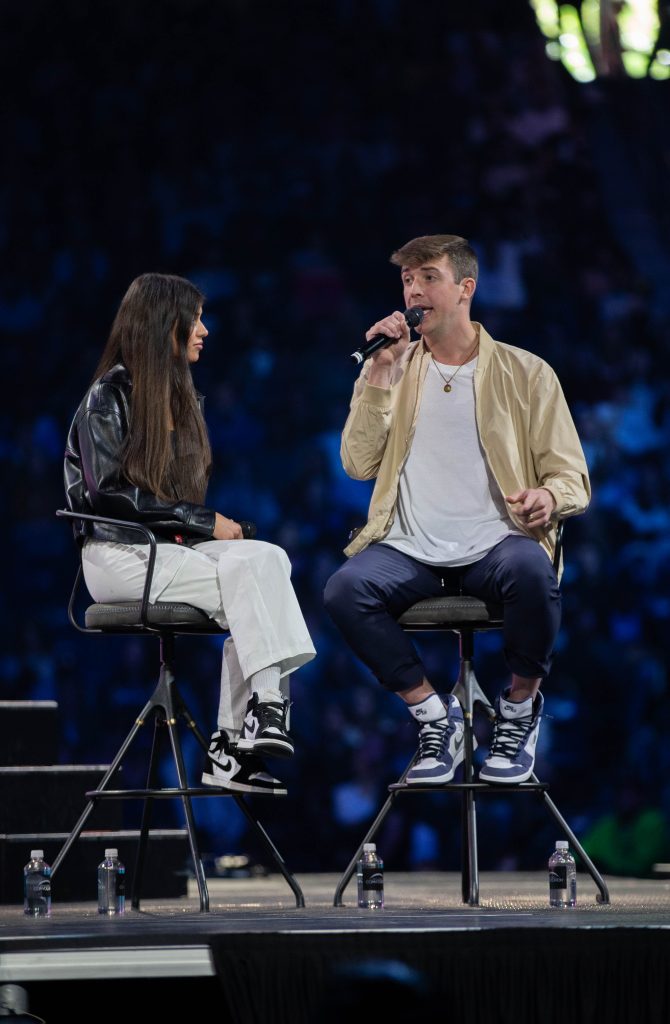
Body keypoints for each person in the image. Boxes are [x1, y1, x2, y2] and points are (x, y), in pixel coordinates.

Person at [324, 234, 590, 785]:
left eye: (428, 278)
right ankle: (432, 715)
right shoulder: (388, 369)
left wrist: (549, 497)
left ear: (465, 288)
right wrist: (378, 378)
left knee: (532, 571)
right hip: (411, 549)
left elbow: (571, 477)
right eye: (406, 280)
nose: (413, 291)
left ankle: (519, 710)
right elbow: (355, 463)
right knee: (344, 590)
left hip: (496, 544)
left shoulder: (527, 373)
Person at [64, 272, 316, 795]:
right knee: (254, 586)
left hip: (168, 552)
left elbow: (178, 497)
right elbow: (107, 493)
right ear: (164, 325)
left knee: (268, 560)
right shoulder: (105, 398)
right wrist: (205, 524)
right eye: (195, 318)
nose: (205, 329)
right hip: (117, 557)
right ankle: (247, 727)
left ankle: (249, 726)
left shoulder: (180, 403)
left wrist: (204, 528)